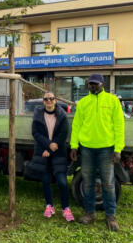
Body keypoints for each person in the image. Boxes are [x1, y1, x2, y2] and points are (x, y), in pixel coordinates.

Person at [70, 74, 124, 231]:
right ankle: (90, 213)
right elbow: (77, 125)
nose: (92, 86)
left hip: (106, 149)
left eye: (95, 84)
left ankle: (110, 216)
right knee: (88, 182)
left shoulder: (112, 101)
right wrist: (74, 146)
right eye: (90, 84)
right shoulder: (83, 103)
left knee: (107, 183)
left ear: (103, 84)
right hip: (86, 148)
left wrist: (118, 149)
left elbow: (119, 126)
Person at [31, 92, 74, 222]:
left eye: (51, 98)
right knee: (46, 180)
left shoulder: (62, 115)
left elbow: (63, 133)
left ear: (55, 100)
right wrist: (49, 146)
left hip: (58, 153)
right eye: (46, 99)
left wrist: (51, 148)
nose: (49, 101)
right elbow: (35, 133)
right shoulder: (38, 114)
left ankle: (66, 208)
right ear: (43, 102)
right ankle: (49, 205)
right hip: (43, 151)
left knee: (62, 181)